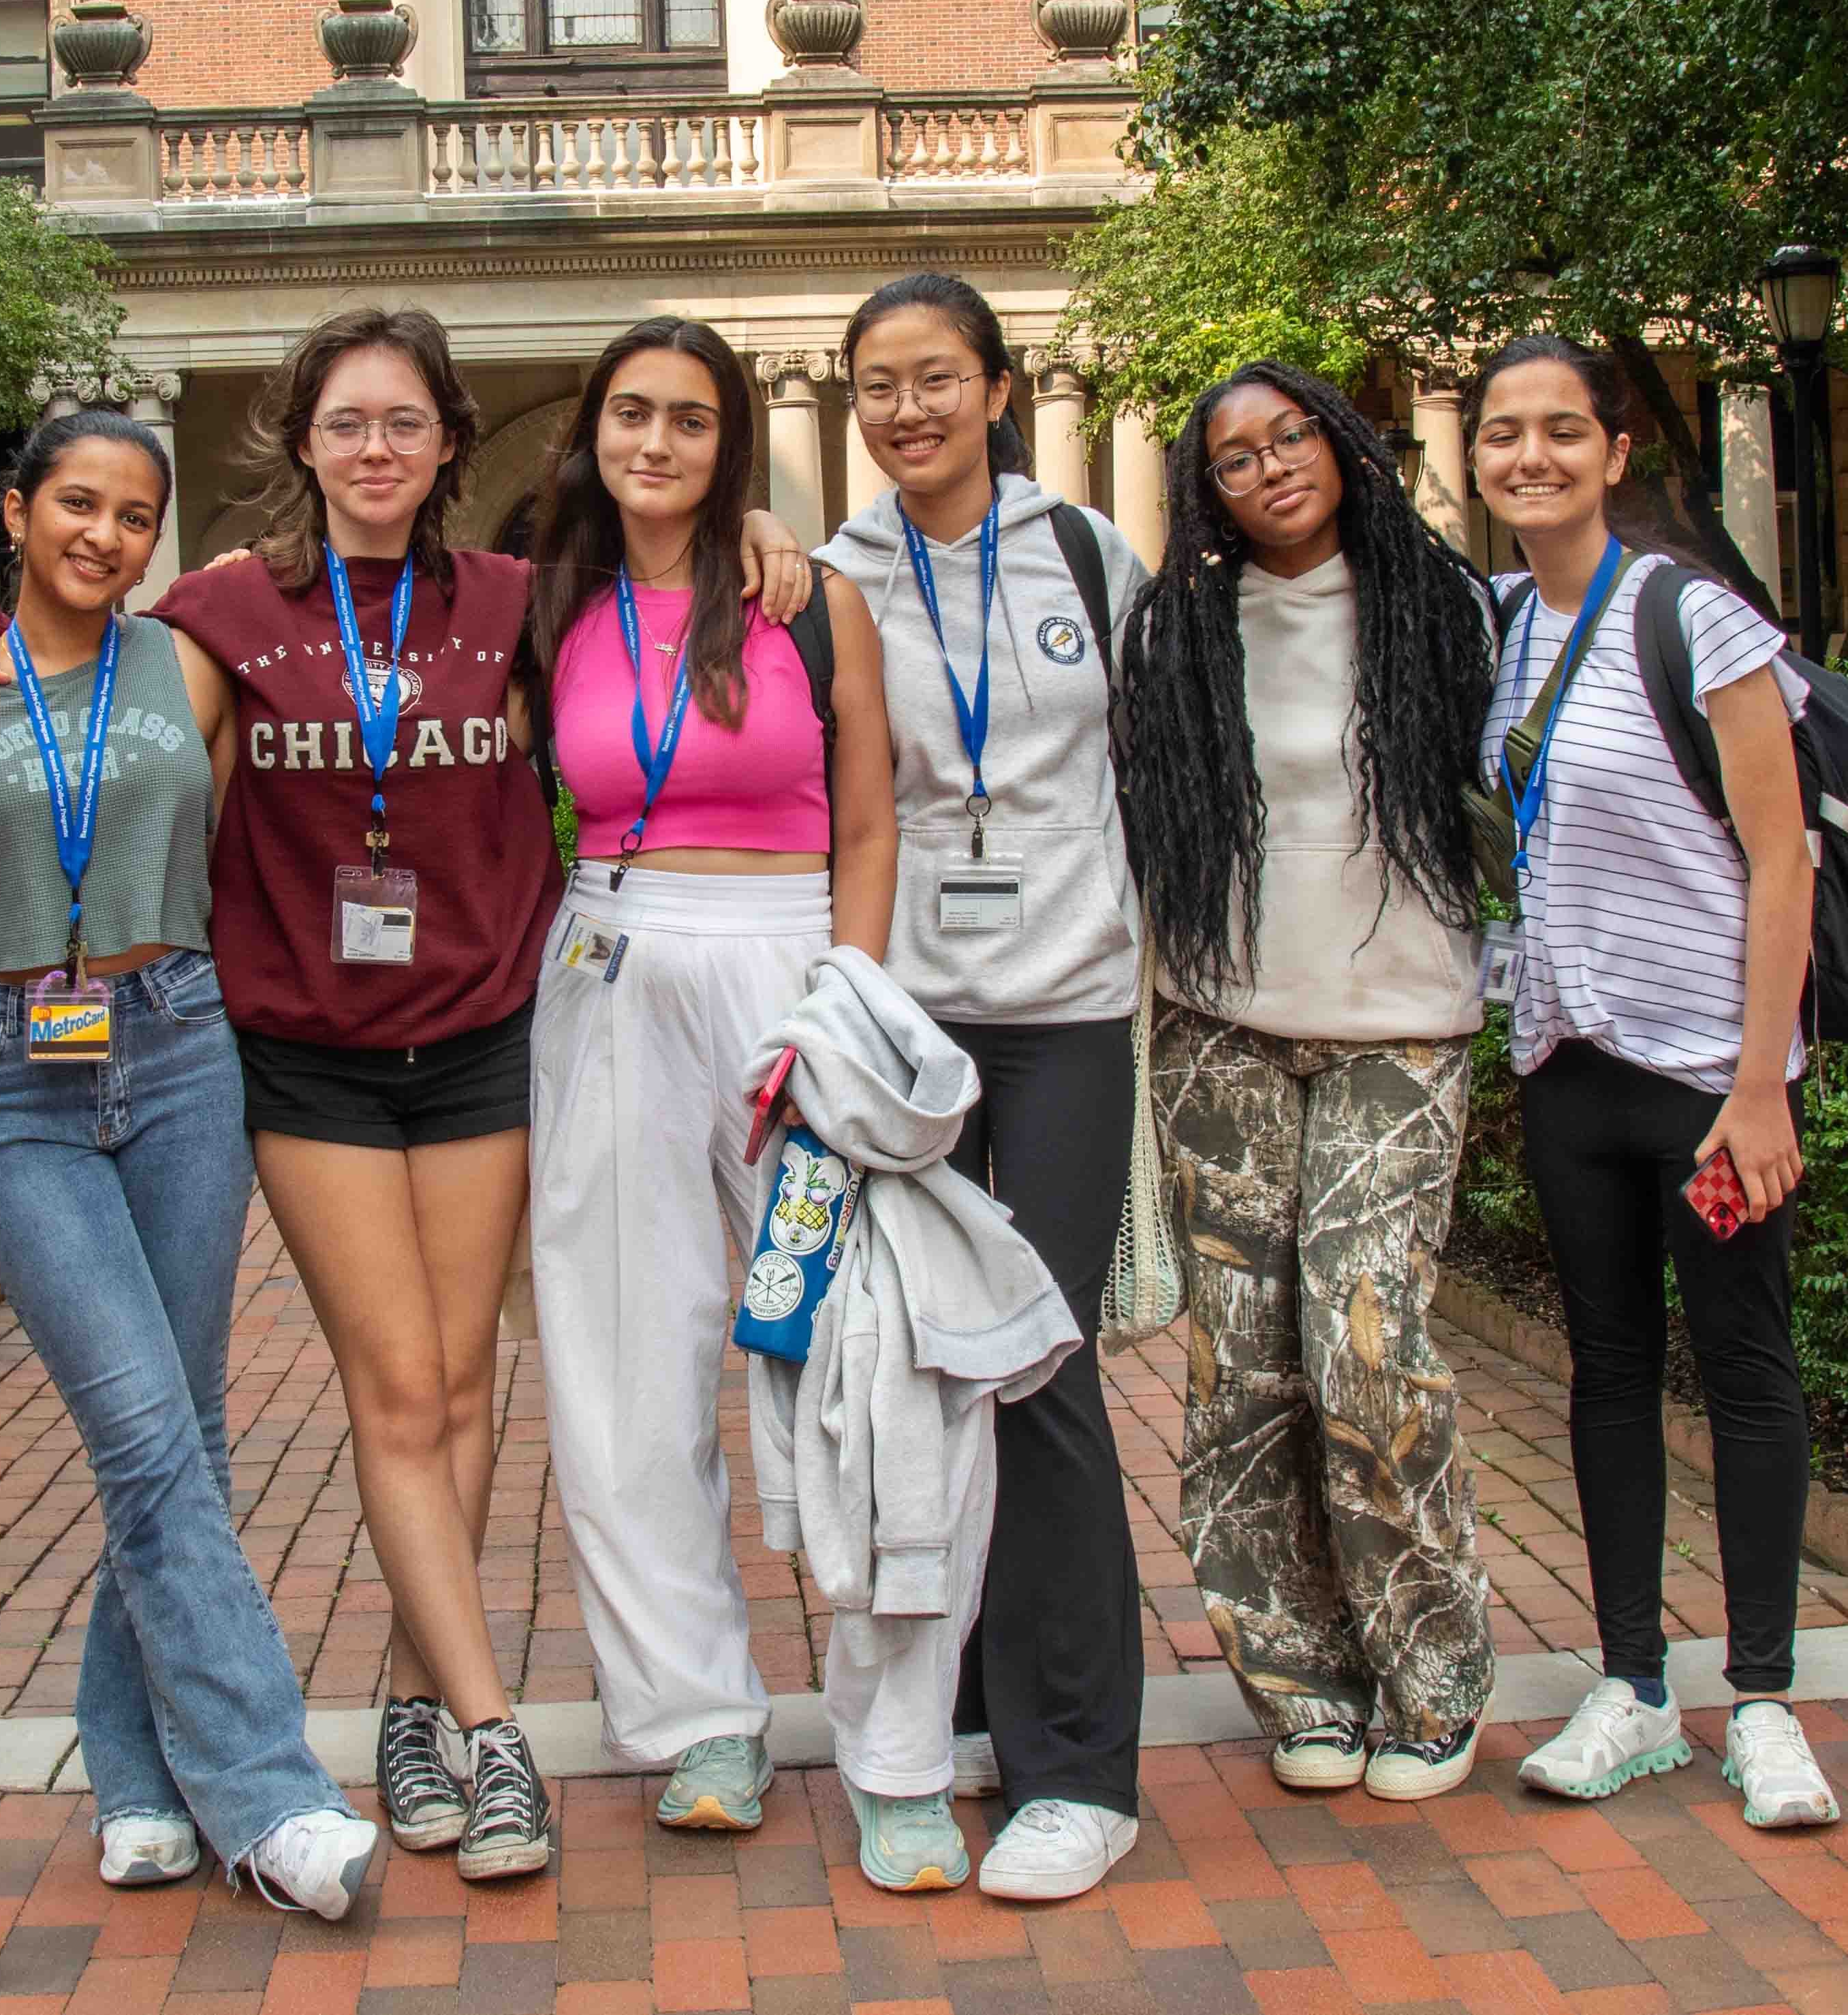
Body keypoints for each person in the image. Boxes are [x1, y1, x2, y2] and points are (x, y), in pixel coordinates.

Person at [0, 309, 806, 1884]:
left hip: (480, 1030)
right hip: (302, 1049)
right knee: (398, 1383)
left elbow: (670, 587)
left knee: (461, 1387)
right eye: (347, 424)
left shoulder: (523, 596)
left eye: (406, 423)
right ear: (302, 440)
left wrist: (752, 524)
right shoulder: (218, 612)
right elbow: (89, 662)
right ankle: (490, 1729)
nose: (377, 450)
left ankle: (410, 1696)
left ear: (450, 443)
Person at [0, 410, 378, 1917]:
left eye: (133, 514)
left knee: (182, 1433)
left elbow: (359, 563)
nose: (102, 534)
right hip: (10, 1074)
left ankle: (127, 1771)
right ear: (14, 505)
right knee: (141, 1430)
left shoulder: (188, 657)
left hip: (176, 1044)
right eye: (74, 503)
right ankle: (270, 1791)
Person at [510, 321, 940, 1881]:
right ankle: (695, 1715)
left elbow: (875, 823)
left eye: (691, 419)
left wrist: (844, 1004)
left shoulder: (807, 595)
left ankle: (893, 1745)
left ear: (730, 441)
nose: (657, 442)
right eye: (630, 411)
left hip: (787, 980)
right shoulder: (544, 596)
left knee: (851, 1348)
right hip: (612, 962)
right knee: (628, 1353)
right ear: (591, 427)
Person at [1469, 332, 1841, 1832]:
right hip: (1565, 1063)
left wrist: (1762, 1083)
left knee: (1745, 1368)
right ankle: (1632, 1685)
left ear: (1615, 452)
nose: (1529, 456)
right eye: (1502, 432)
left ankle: (1762, 1699)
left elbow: (1780, 858)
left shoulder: (1694, 618)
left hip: (1702, 1074)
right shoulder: (1494, 622)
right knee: (1606, 1369)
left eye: (1561, 429)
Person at [1116, 364, 1503, 1802]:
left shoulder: (1440, 606)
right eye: (1231, 455)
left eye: (1290, 437)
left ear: (1341, 445)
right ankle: (1298, 1679)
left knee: (1366, 1344)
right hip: (1221, 1024)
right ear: (1202, 487)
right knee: (1245, 1376)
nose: (1268, 466)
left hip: (1398, 1030)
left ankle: (1434, 1668)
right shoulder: (1175, 629)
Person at [815, 270, 1150, 1904]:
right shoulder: (829, 574)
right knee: (915, 1372)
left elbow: (1173, 763)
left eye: (936, 376)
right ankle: (948, 1702)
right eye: (877, 384)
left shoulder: (1091, 555)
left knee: (1043, 1360)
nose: (906, 409)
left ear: (999, 386)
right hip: (907, 1027)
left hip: (1069, 1005)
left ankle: (1078, 1764)